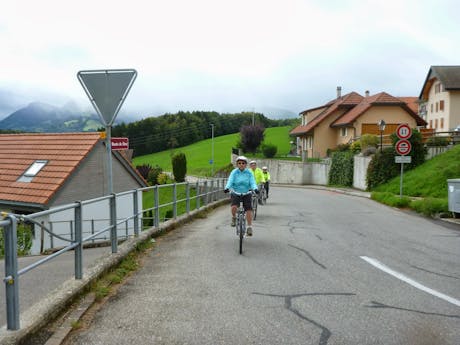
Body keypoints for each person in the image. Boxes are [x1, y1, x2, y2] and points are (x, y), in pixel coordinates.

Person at [224, 156, 258, 236]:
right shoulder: (234, 172)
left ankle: (249, 227)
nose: (241, 164)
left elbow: (252, 182)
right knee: (234, 207)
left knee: (249, 209)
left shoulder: (249, 172)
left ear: (246, 165)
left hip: (247, 192)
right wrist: (227, 188)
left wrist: (255, 188)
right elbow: (230, 181)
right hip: (236, 192)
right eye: (239, 163)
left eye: (243, 163)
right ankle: (234, 218)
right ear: (237, 164)